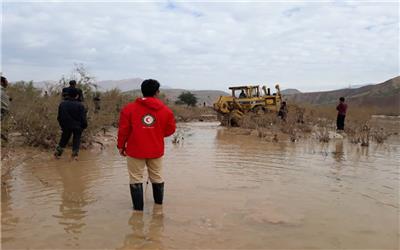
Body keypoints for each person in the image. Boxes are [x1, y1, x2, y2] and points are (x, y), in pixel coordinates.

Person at [117, 79, 176, 211]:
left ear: (142, 91)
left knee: (135, 178)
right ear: (157, 92)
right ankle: (158, 207)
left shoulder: (129, 109)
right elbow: (171, 129)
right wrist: (156, 134)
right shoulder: (166, 111)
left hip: (135, 150)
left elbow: (123, 130)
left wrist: (121, 146)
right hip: (156, 150)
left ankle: (138, 211)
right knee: (157, 176)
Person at [54, 88, 88, 160]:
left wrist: (62, 126)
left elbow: (59, 117)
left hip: (66, 126)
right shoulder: (80, 105)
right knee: (76, 141)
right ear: (77, 96)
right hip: (78, 127)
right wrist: (84, 126)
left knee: (63, 140)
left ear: (68, 94)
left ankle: (57, 155)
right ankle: (74, 156)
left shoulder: (62, 104)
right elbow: (83, 119)